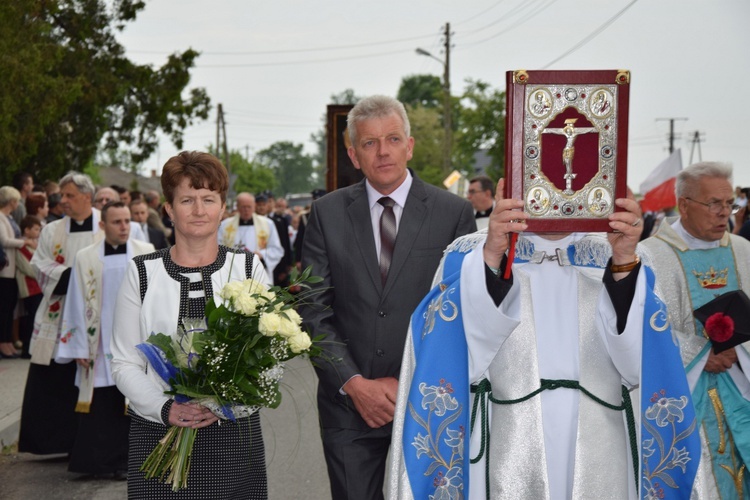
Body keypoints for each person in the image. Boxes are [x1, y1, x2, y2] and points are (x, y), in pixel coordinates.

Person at [388, 177, 649, 499]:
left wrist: (623, 263)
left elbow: (644, 364)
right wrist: (492, 257)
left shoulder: (623, 257)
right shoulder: (470, 255)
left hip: (601, 447)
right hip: (505, 439)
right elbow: (446, 352)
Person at [299, 95, 476, 500]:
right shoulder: (326, 214)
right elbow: (311, 310)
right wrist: (355, 384)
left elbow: (462, 312)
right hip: (348, 408)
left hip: (427, 403)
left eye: (393, 139)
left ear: (409, 146)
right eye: (369, 143)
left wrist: (409, 381)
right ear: (353, 154)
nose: (383, 151)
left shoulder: (453, 213)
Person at [111, 151, 269, 499]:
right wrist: (167, 408)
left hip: (232, 435)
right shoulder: (142, 272)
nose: (199, 210)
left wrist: (222, 403)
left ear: (222, 207)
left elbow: (269, 357)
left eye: (208, 199)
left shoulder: (247, 268)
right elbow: (124, 362)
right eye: (187, 199)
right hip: (158, 435)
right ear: (169, 209)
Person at [640, 162, 750, 498]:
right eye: (713, 204)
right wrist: (703, 353)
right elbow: (643, 329)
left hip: (742, 386)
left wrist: (738, 349)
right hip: (684, 397)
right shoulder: (650, 255)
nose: (723, 213)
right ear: (684, 204)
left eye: (729, 204)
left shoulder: (744, 251)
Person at [56, 201, 154, 478]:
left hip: (135, 340)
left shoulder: (146, 253)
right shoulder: (86, 257)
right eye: (117, 222)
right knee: (102, 403)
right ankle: (99, 464)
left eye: (127, 221)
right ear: (102, 225)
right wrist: (77, 346)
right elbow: (75, 301)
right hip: (98, 343)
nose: (124, 227)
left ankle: (130, 461)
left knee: (132, 399)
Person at [19, 172, 104, 455]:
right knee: (54, 378)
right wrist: (70, 275)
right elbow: (38, 265)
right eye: (63, 195)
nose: (62, 201)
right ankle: (55, 441)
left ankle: (89, 442)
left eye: (69, 195)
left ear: (86, 196)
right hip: (61, 307)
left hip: (96, 312)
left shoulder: (105, 226)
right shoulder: (51, 230)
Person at [218, 192, 282, 285]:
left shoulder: (268, 224)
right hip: (233, 273)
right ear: (238, 207)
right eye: (243, 207)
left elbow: (276, 250)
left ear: (254, 206)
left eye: (249, 207)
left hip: (258, 271)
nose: (246, 210)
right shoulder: (225, 225)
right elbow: (217, 248)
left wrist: (261, 255)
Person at [1, 186, 35, 358]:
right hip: (5, 268)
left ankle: (7, 341)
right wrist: (24, 242)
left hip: (12, 268)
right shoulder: (0, 217)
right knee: (5, 308)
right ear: (11, 201)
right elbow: (5, 241)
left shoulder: (9, 218)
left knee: (10, 307)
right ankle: (3, 342)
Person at [15, 215, 43, 359]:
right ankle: (27, 348)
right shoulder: (22, 246)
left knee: (35, 317)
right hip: (29, 286)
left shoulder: (34, 245)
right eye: (36, 229)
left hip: (37, 286)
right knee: (30, 318)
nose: (39, 232)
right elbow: (28, 268)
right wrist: (42, 272)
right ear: (27, 230)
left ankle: (34, 348)